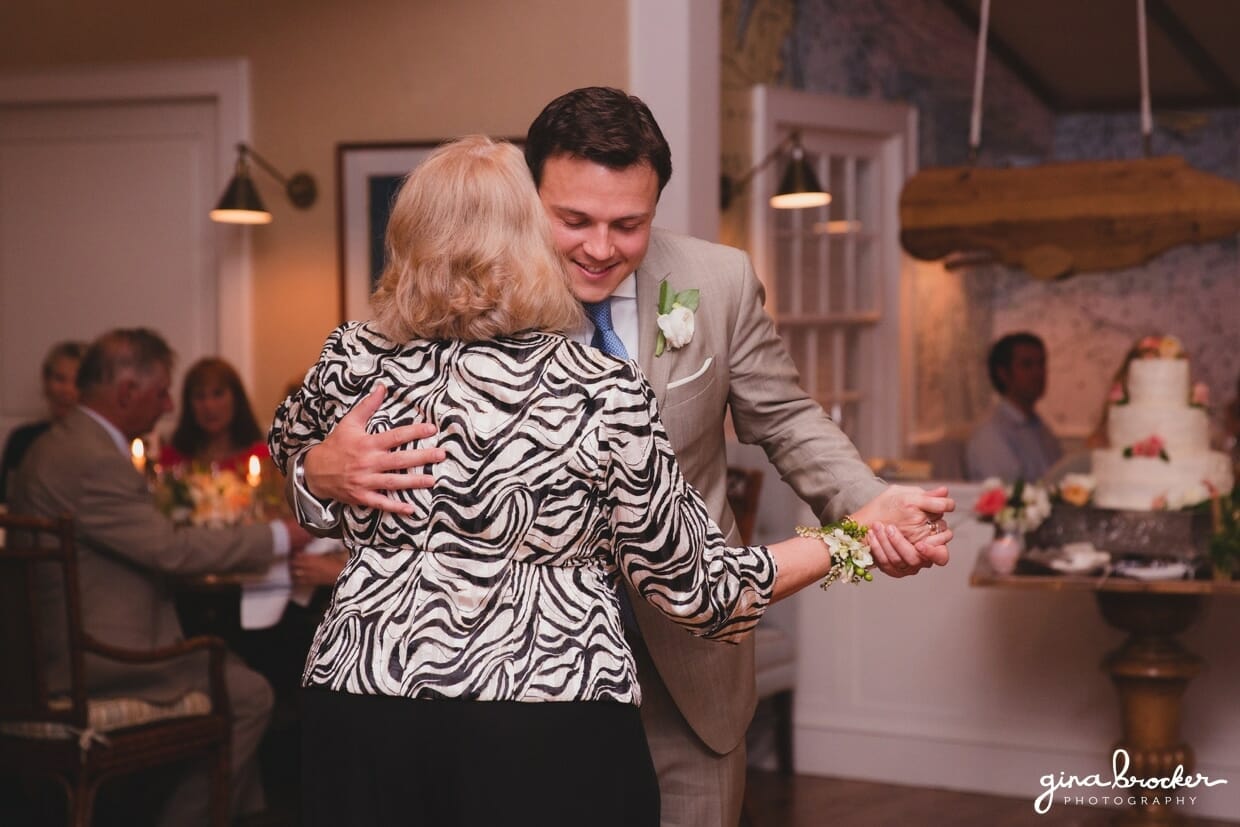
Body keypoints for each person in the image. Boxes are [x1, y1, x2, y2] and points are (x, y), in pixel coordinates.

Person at [287, 88, 954, 827]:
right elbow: (310, 455)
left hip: (680, 675)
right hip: (531, 700)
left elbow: (789, 418)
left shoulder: (716, 282)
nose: (601, 247)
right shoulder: (418, 332)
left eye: (628, 224)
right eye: (573, 220)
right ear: (525, 197)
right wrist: (317, 471)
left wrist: (869, 510)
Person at [9, 328, 311, 826]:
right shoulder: (91, 460)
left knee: (231, 669)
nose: (170, 406)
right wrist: (280, 537)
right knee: (251, 693)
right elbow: (170, 549)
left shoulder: (62, 445)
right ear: (126, 391)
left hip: (53, 654)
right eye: (162, 392)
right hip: (90, 665)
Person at [965, 332, 1062, 482]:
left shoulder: (1041, 428)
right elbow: (1010, 497)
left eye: (1041, 363)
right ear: (1003, 373)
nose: (1038, 373)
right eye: (1027, 365)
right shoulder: (991, 433)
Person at [0, 340, 85, 502]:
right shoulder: (23, 439)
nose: (66, 390)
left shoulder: (100, 445)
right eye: (59, 379)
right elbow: (6, 497)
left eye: (77, 382)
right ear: (46, 383)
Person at [159, 356, 269, 473]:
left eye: (218, 394)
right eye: (200, 396)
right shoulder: (171, 459)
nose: (209, 406)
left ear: (236, 398)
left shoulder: (261, 458)